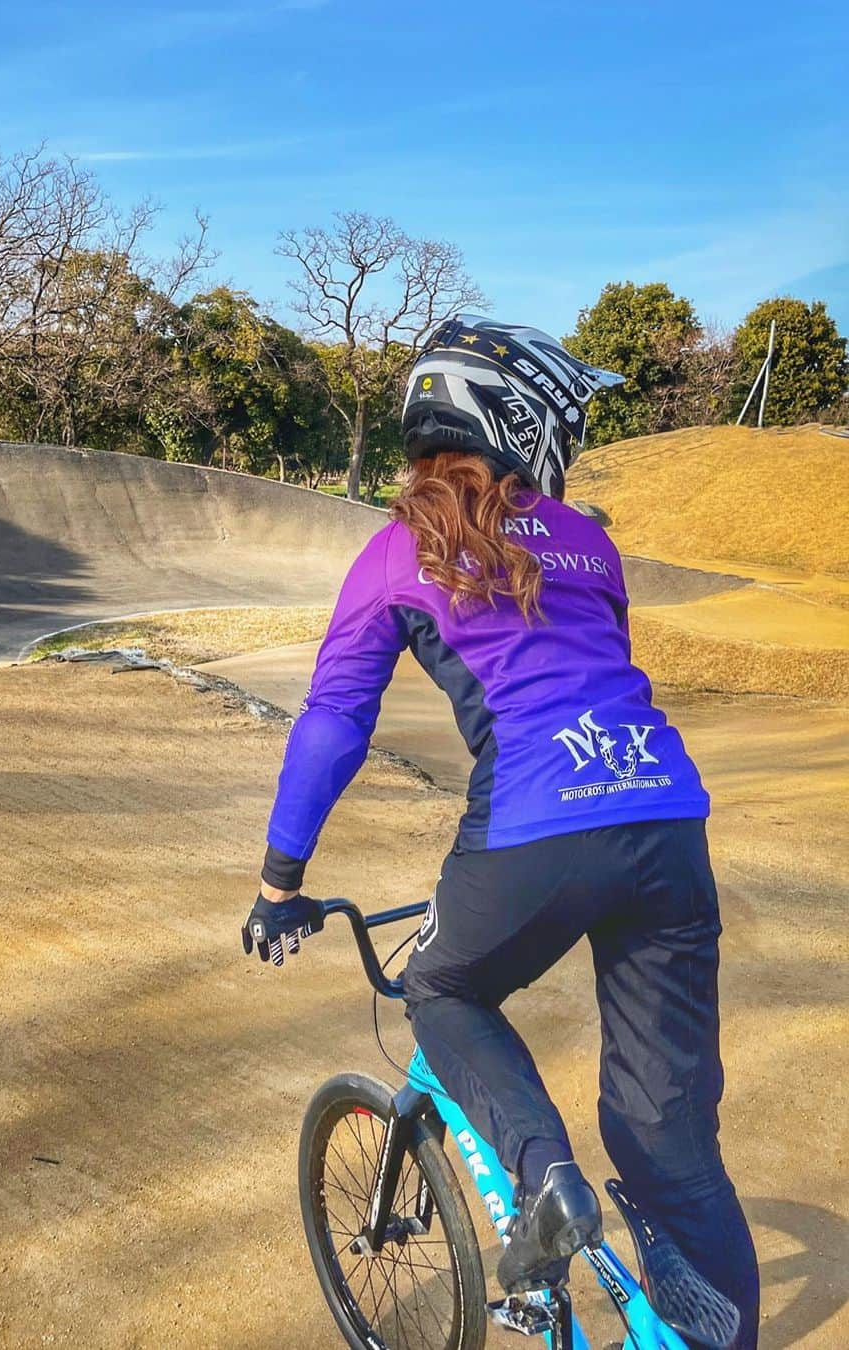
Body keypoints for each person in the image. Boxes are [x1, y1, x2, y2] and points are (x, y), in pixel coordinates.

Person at [242, 315, 759, 1346]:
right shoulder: (592, 541)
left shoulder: (397, 553)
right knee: (667, 1138)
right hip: (665, 819)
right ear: (518, 422)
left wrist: (278, 883)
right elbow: (589, 676)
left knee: (440, 985)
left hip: (535, 825)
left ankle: (546, 1184)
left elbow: (335, 723)